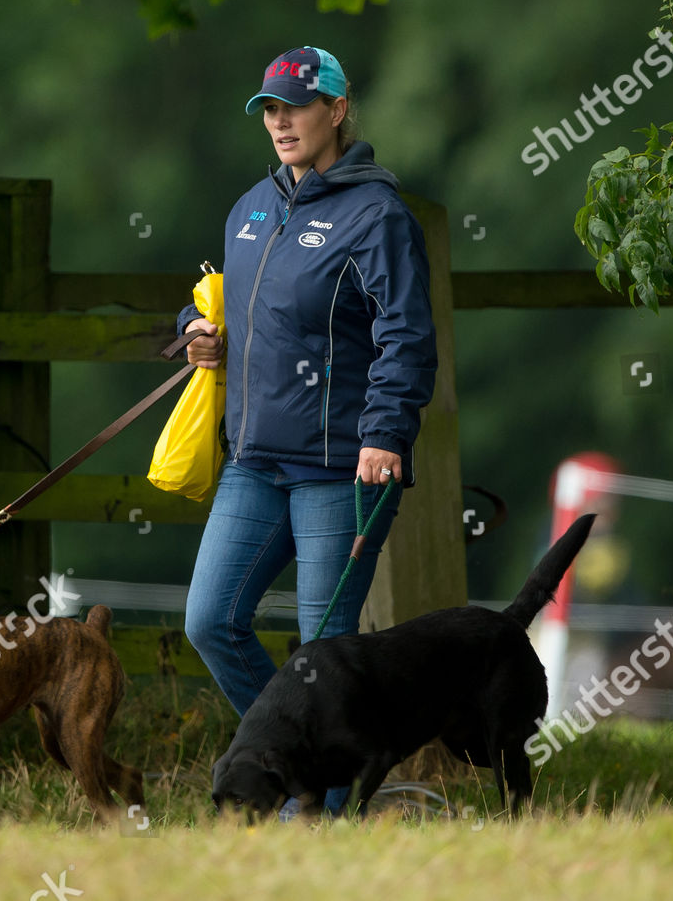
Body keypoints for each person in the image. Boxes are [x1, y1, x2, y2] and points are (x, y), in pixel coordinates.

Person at [177, 45, 438, 816]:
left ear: (337, 109)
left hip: (342, 468)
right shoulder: (250, 210)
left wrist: (385, 433)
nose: (280, 121)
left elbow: (406, 336)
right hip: (253, 461)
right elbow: (228, 300)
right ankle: (308, 775)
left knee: (322, 657)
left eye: (295, 106)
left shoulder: (378, 215)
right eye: (270, 108)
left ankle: (312, 814)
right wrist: (195, 326)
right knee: (210, 621)